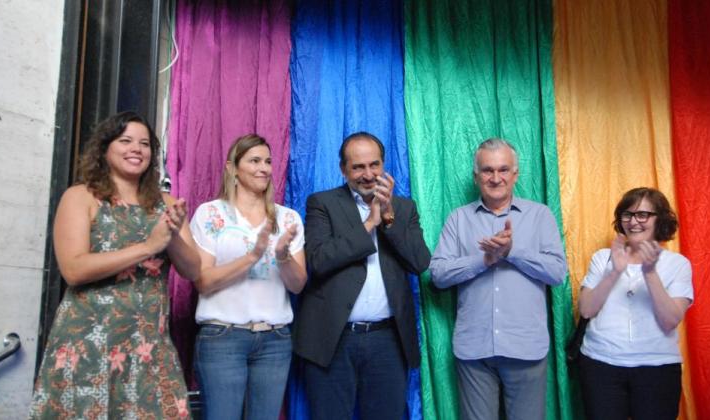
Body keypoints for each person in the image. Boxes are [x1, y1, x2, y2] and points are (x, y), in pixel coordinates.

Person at [29, 111, 201, 419]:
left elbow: (193, 270)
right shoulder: (81, 197)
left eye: (145, 144)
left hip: (149, 347)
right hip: (89, 344)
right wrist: (148, 247)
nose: (137, 149)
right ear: (105, 149)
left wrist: (171, 237)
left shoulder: (167, 204)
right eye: (126, 141)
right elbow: (73, 269)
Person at [293, 132, 431, 420]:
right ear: (343, 170)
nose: (368, 175)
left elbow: (419, 263)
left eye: (374, 165)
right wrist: (369, 223)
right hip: (333, 339)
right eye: (358, 167)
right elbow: (318, 260)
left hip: (387, 341)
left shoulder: (404, 208)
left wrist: (389, 217)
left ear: (383, 165)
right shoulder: (322, 204)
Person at [430, 138, 567, 420]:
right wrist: (484, 260)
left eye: (503, 170)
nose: (496, 178)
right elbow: (439, 275)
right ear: (476, 176)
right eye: (487, 170)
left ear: (515, 174)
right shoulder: (458, 219)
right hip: (474, 350)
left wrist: (512, 251)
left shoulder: (540, 215)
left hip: (526, 347)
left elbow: (557, 273)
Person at [189, 135, 307, 420]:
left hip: (275, 340)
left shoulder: (288, 218)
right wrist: (251, 257)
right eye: (254, 161)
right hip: (222, 338)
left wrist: (282, 256)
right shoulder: (210, 214)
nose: (264, 168)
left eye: (267, 161)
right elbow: (202, 281)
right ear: (232, 168)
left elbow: (298, 284)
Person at [577, 187, 693, 420]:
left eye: (643, 215)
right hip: (601, 364)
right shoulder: (603, 258)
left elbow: (670, 320)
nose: (633, 222)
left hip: (657, 368)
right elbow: (586, 309)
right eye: (627, 215)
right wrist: (614, 271)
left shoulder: (678, 264)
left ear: (659, 219)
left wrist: (650, 273)